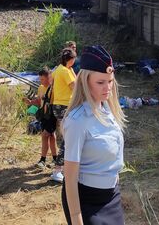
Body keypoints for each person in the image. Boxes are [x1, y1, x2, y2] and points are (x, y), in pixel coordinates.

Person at [61, 45, 126, 225]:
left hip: (111, 196)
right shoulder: (77, 121)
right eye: (100, 82)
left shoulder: (108, 110)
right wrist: (76, 219)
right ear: (85, 81)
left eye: (110, 81)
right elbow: (70, 176)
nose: (108, 88)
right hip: (87, 199)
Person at [50, 47, 77, 182]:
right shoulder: (65, 71)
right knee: (69, 139)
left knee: (69, 138)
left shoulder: (60, 69)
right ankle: (57, 170)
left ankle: (64, 168)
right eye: (74, 59)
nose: (75, 61)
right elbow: (75, 87)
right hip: (64, 106)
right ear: (70, 60)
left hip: (60, 105)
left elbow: (52, 80)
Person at [34, 67, 57, 169]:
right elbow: (39, 102)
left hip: (51, 116)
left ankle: (43, 160)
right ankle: (55, 159)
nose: (41, 81)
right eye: (40, 79)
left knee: (45, 135)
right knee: (51, 136)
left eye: (42, 79)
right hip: (44, 116)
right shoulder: (40, 88)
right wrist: (30, 102)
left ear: (49, 78)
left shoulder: (54, 88)